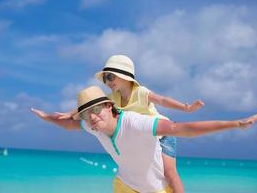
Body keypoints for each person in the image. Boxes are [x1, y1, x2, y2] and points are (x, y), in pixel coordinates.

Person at [31, 86, 257, 193]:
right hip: (124, 187)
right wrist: (47, 118)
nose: (91, 118)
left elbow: (184, 129)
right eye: (85, 113)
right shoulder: (94, 125)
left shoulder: (136, 123)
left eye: (95, 110)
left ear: (109, 106)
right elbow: (71, 125)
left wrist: (236, 123)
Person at [55, 55, 205, 192]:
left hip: (163, 134)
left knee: (170, 173)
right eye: (105, 78)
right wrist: (70, 113)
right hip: (143, 137)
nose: (107, 81)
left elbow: (163, 100)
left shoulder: (140, 92)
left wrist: (186, 108)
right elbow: (90, 105)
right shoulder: (113, 97)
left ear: (124, 75)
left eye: (110, 76)